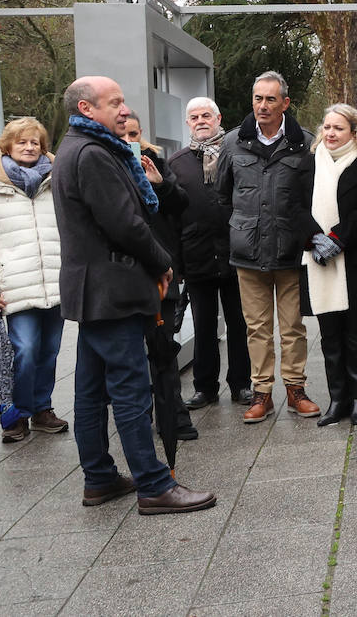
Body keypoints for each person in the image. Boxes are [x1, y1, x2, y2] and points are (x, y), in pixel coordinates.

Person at [54, 76, 214, 513]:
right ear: (87, 109)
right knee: (129, 390)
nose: (124, 110)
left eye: (124, 101)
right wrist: (163, 262)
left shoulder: (80, 148)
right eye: (116, 102)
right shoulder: (92, 154)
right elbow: (125, 224)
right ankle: (153, 484)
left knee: (90, 389)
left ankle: (100, 478)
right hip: (114, 291)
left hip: (95, 292)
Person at [217, 70, 323, 423]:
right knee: (256, 327)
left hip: (290, 250)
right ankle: (261, 393)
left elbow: (314, 198)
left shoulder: (305, 143)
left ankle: (295, 389)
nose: (263, 106)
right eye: (258, 99)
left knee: (293, 326)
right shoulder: (232, 143)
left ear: (285, 103)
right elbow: (223, 195)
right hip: (247, 252)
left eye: (270, 99)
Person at [0, 117, 68, 443]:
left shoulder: (56, 180)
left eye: (35, 142)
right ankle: (17, 413)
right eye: (22, 141)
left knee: (49, 351)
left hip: (54, 281)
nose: (29, 147)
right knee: (24, 349)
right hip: (13, 286)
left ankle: (42, 409)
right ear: (7, 145)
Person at [296, 104, 357, 426]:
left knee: (356, 333)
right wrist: (316, 240)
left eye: (338, 128)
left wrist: (336, 240)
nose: (330, 133)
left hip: (354, 259)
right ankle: (338, 399)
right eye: (327, 127)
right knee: (330, 334)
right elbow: (295, 206)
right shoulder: (308, 163)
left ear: (354, 132)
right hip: (317, 259)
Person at [171, 97, 252, 409]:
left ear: (219, 118)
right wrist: (176, 262)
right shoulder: (176, 163)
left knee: (239, 323)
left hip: (236, 252)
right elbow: (172, 214)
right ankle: (205, 388)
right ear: (188, 122)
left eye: (207, 115)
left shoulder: (237, 155)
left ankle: (241, 384)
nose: (201, 120)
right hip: (197, 256)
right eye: (194, 116)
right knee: (204, 325)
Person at [122, 115, 198, 442]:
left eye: (134, 134)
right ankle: (136, 417)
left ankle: (174, 417)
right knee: (128, 354)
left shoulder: (155, 161)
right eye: (122, 134)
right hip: (123, 277)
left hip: (162, 273)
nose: (129, 140)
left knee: (164, 347)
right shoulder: (104, 165)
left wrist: (160, 183)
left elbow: (181, 204)